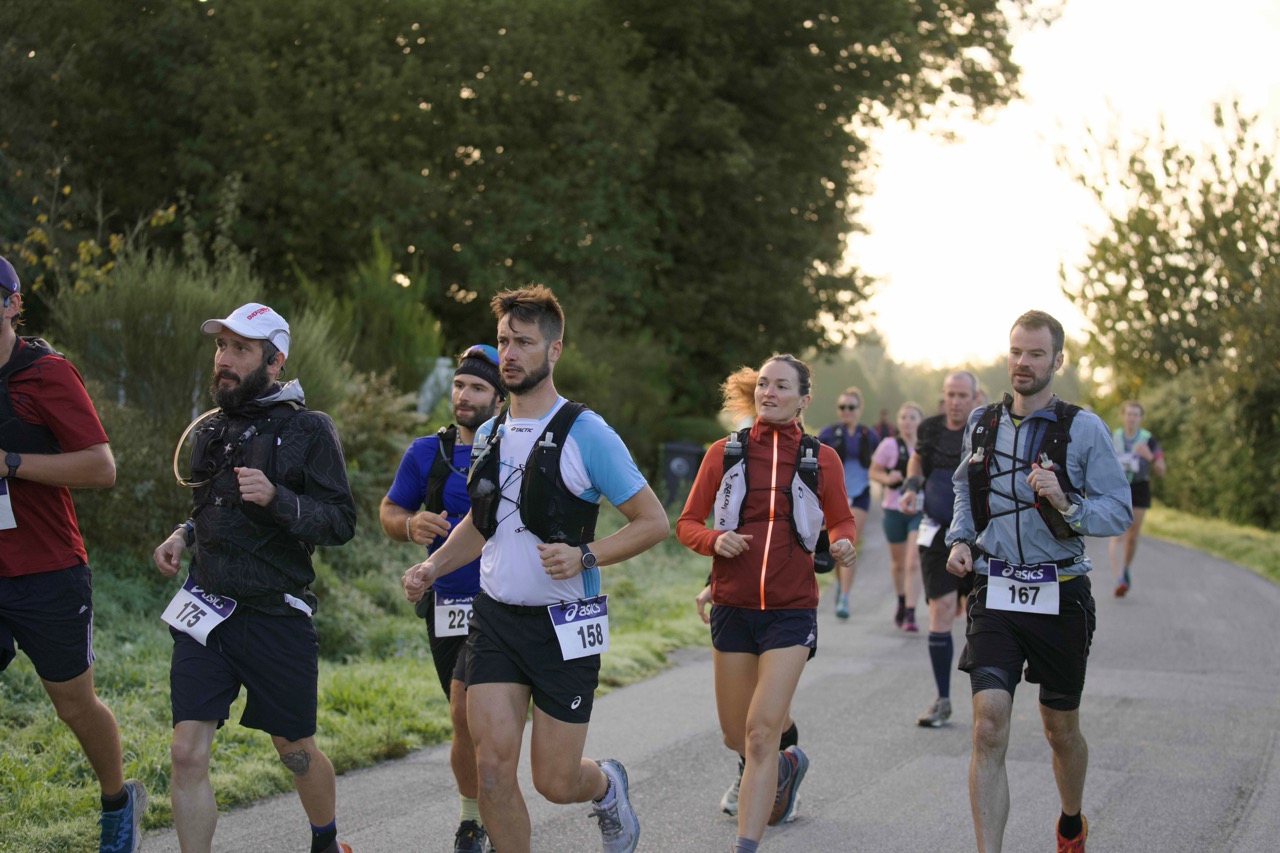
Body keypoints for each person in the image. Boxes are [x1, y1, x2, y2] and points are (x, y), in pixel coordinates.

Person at [401, 284, 668, 853]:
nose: (510, 354)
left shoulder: (587, 432)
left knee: (555, 781)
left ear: (555, 350)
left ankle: (606, 785)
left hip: (564, 623)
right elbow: (481, 523)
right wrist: (432, 566)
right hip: (495, 619)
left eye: (524, 342)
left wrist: (585, 555)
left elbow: (653, 521)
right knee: (492, 772)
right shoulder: (490, 433)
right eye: (504, 341)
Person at [152, 302, 357, 853]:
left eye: (240, 348)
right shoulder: (211, 429)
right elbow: (208, 507)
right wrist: (182, 536)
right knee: (186, 752)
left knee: (294, 749)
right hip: (206, 608)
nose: (224, 358)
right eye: (221, 346)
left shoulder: (310, 428)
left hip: (275, 613)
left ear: (274, 360)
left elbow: (341, 522)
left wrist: (278, 498)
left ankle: (326, 842)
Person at [946, 310, 1131, 852]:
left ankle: (1071, 822)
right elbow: (964, 489)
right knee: (988, 725)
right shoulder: (982, 422)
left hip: (1060, 591)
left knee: (1060, 730)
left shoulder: (1083, 428)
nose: (1022, 363)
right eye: (1016, 352)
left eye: (1035, 354)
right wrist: (961, 539)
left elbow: (1118, 510)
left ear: (1057, 360)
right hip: (996, 587)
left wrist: (1066, 502)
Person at [677, 355, 858, 853]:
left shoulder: (822, 459)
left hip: (791, 611)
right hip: (733, 608)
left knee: (760, 734)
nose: (768, 393)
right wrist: (715, 540)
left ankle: (747, 844)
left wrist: (843, 541)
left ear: (803, 399)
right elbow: (687, 523)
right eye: (762, 384)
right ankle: (788, 765)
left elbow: (841, 519)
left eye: (781, 386)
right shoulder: (725, 453)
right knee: (735, 736)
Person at [0, 254, 147, 852]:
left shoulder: (46, 374)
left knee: (73, 704)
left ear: (12, 304)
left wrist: (10, 463)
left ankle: (118, 802)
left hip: (47, 569)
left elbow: (100, 468)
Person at [379, 344, 505, 853]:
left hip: (502, 603)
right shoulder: (427, 453)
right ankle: (475, 816)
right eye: (459, 385)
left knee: (466, 709)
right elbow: (390, 510)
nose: (463, 395)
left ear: (500, 398)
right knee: (463, 719)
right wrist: (410, 525)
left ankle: (482, 820)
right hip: (447, 605)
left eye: (477, 387)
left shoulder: (517, 451)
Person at [900, 371, 978, 727]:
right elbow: (917, 460)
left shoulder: (985, 429)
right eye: (950, 394)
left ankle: (988, 702)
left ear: (975, 398)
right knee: (942, 610)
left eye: (962, 395)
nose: (955, 401)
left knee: (982, 617)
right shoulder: (930, 428)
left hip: (979, 537)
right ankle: (943, 699)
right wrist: (911, 486)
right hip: (935, 533)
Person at [816, 386, 875, 619]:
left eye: (851, 407)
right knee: (835, 545)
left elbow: (882, 460)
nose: (846, 411)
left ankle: (844, 597)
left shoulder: (868, 435)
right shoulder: (828, 433)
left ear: (859, 409)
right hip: (832, 495)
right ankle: (840, 583)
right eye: (842, 407)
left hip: (859, 494)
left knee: (848, 543)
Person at [869, 402, 925, 632]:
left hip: (919, 510)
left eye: (912, 417)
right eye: (903, 417)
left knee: (914, 561)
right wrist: (887, 478)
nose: (907, 422)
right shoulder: (889, 445)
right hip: (893, 509)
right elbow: (873, 471)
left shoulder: (926, 446)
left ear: (921, 422)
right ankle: (902, 601)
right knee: (899, 564)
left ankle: (911, 612)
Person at [1108, 400, 1165, 597]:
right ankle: (1118, 579)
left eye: (1135, 415)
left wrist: (1149, 457)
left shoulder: (1148, 439)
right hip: (1117, 487)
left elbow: (1161, 469)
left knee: (1132, 536)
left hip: (1139, 488)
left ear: (1141, 418)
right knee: (1117, 533)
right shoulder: (1113, 436)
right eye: (1129, 414)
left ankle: (1125, 569)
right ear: (1122, 416)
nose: (1131, 418)